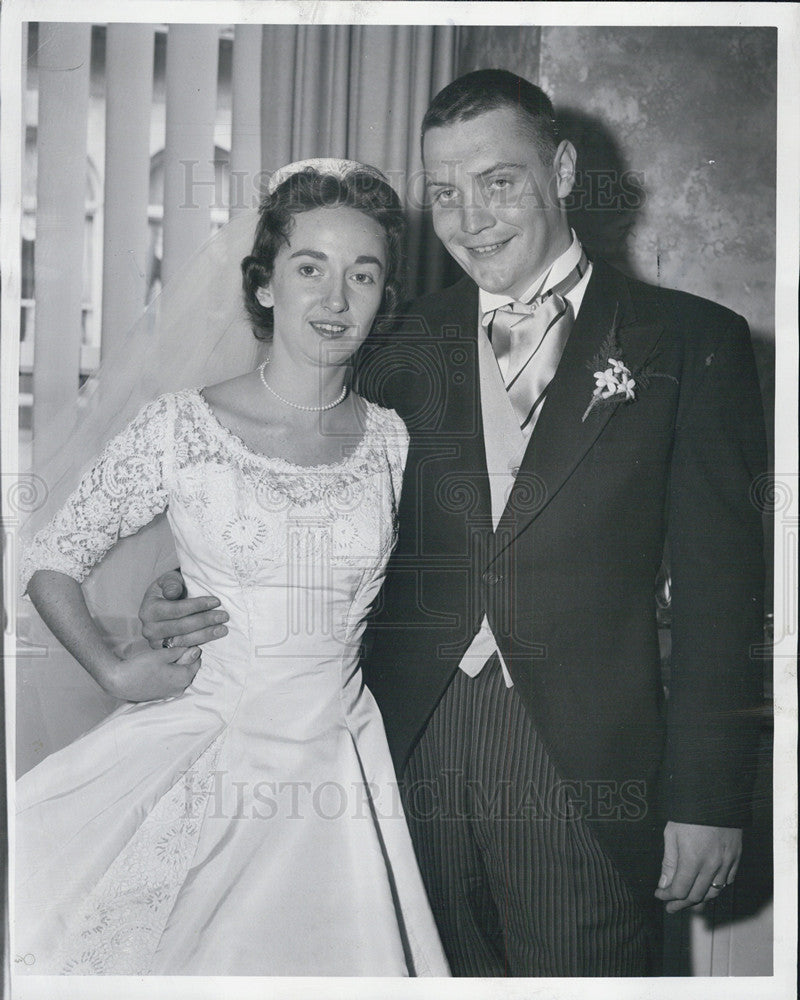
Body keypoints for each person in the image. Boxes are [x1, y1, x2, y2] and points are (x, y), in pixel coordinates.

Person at [139, 71, 767, 976]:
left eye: (497, 182)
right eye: (443, 192)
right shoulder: (387, 341)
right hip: (393, 759)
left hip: (585, 770)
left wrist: (709, 796)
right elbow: (291, 502)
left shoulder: (690, 340)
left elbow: (722, 592)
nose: (471, 218)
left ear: (560, 167)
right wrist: (188, 595)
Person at [15, 160, 450, 977]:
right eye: (309, 268)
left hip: (345, 767)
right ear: (263, 286)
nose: (334, 300)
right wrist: (114, 671)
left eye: (363, 276)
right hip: (207, 755)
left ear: (383, 297)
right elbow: (48, 558)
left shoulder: (393, 437)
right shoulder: (183, 426)